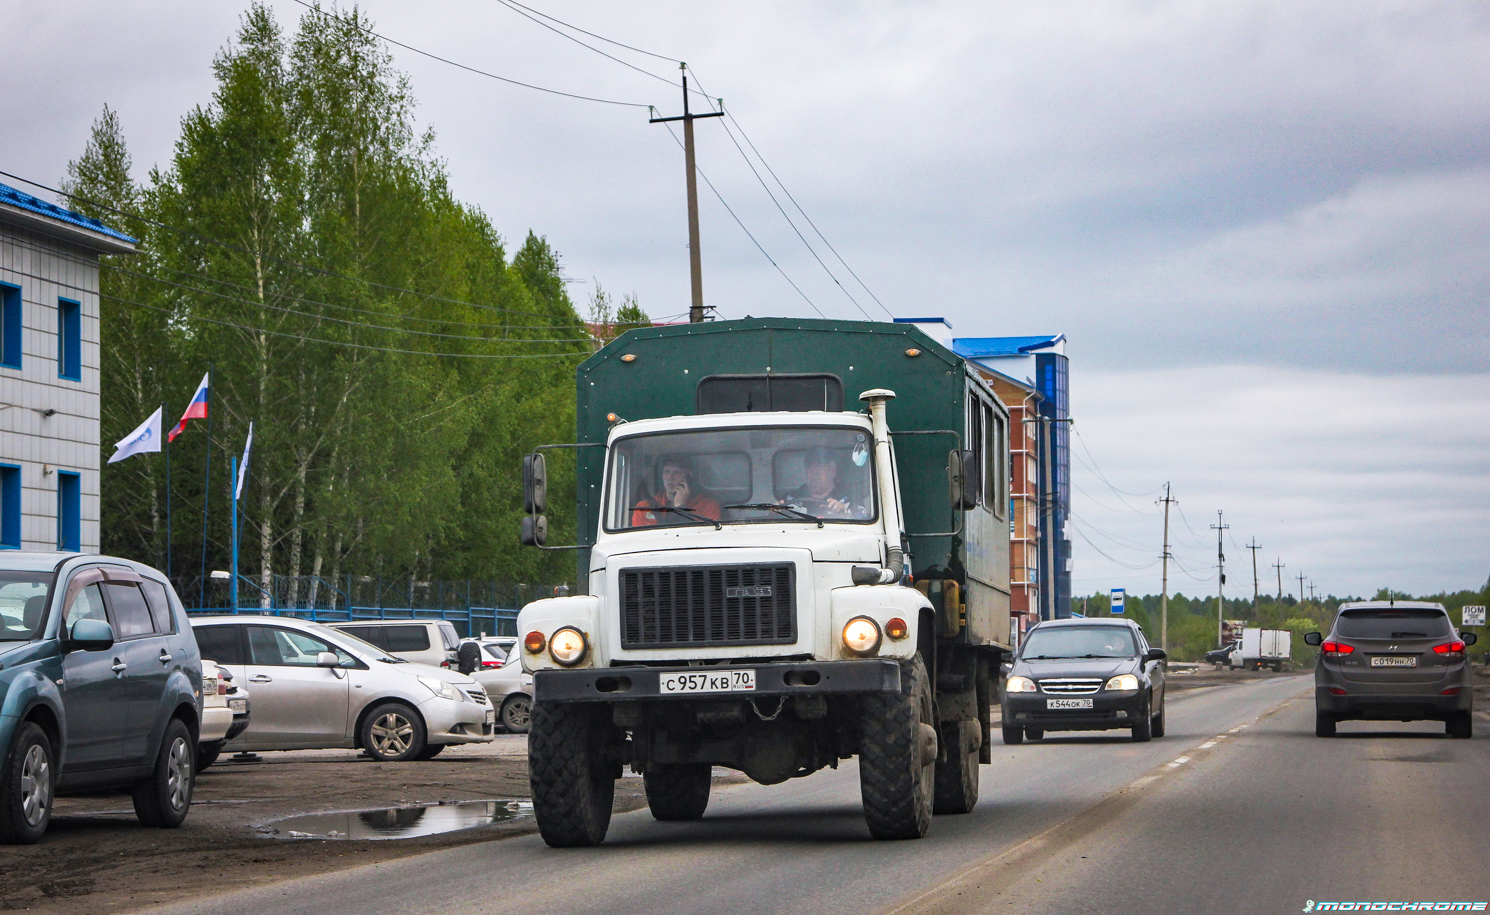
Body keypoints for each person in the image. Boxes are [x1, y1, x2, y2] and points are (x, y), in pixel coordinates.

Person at [632, 455, 722, 526]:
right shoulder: (644, 507)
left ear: (689, 477)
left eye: (677, 472)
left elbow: (703, 539)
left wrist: (681, 506)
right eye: (667, 471)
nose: (670, 478)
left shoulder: (708, 506)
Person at [781, 446, 868, 519]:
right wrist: (775, 512)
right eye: (810, 467)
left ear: (833, 470)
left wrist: (845, 513)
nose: (814, 473)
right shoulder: (791, 498)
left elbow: (863, 521)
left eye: (820, 467)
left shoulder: (849, 498)